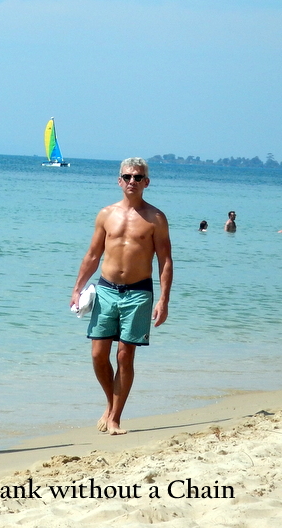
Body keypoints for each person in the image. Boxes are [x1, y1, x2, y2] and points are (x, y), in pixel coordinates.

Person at [70, 158, 173, 436]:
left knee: (125, 356)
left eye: (138, 177)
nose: (132, 181)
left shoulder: (156, 218)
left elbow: (165, 260)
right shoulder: (106, 214)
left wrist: (164, 299)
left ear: (146, 183)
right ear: (119, 181)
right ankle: (110, 402)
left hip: (139, 293)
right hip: (105, 290)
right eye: (127, 176)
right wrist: (77, 287)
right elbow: (93, 254)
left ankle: (115, 418)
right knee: (97, 354)